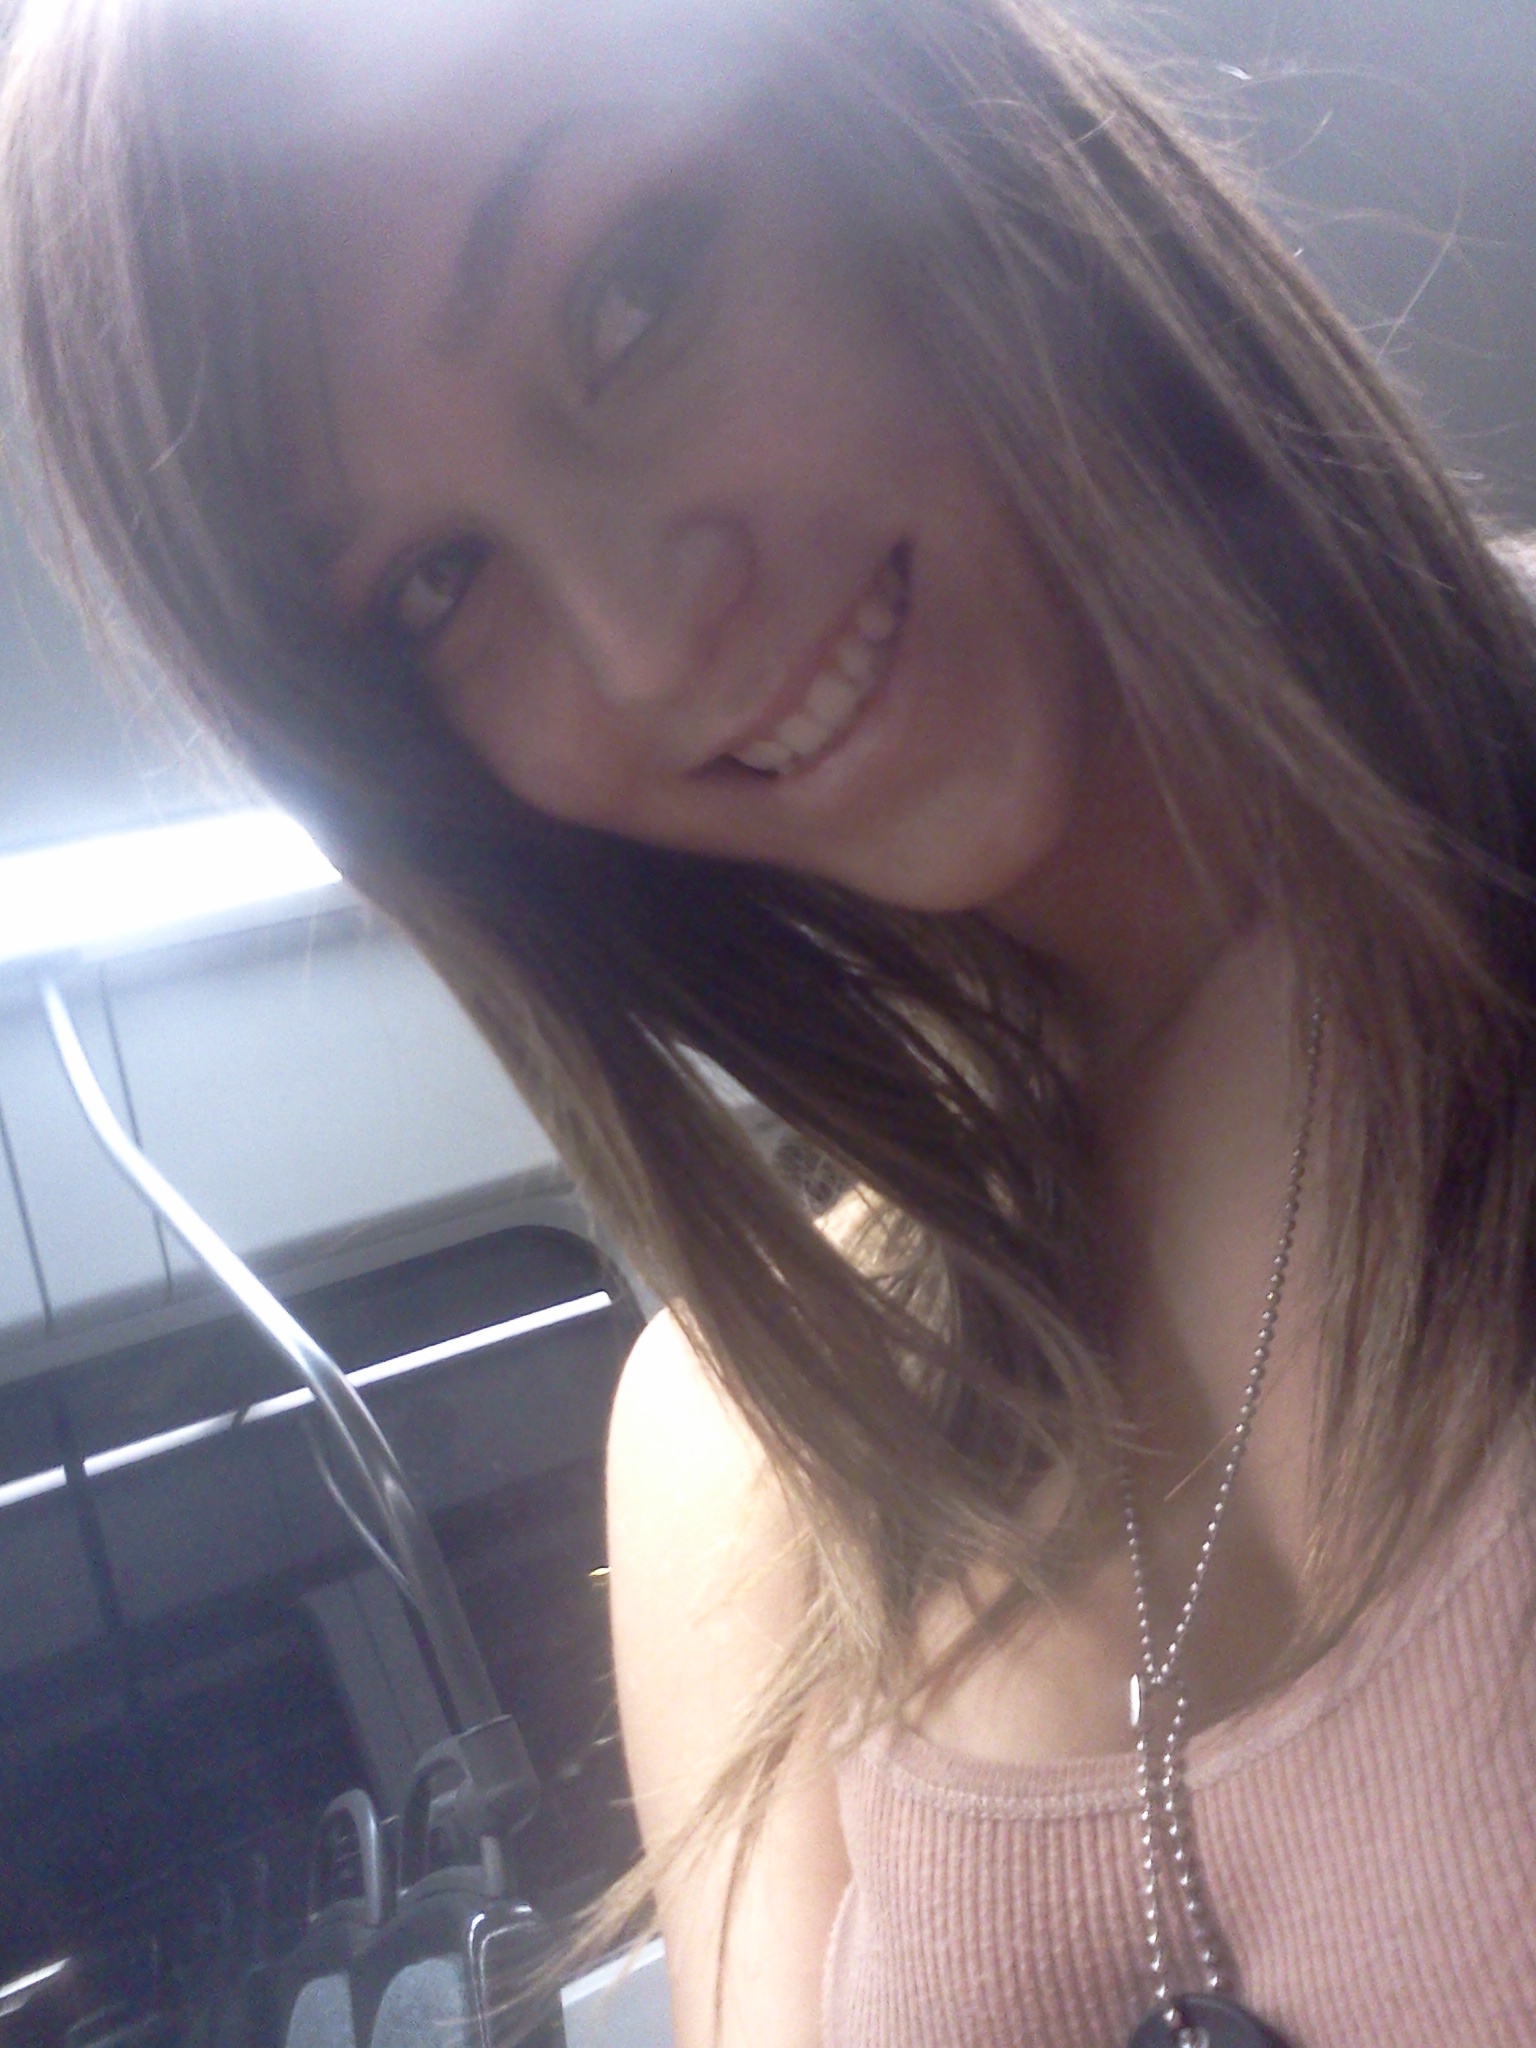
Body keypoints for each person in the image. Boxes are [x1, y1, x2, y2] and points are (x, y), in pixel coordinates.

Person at [3, 0, 1535, 2042]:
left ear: (897, 100)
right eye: (436, 581)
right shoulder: (745, 1467)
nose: (648, 639)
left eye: (629, 296)